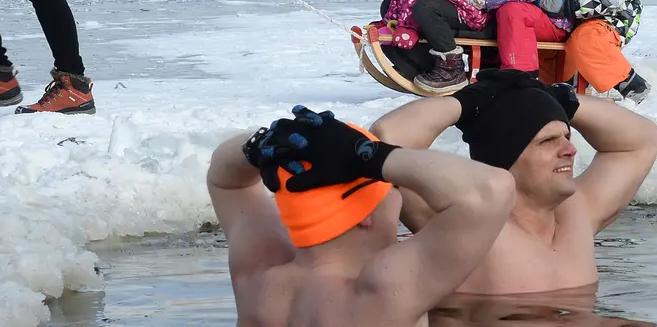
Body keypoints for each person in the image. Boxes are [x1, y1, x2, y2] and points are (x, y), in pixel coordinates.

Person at [209, 104, 516, 326]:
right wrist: (371, 155)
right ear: (364, 216)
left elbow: (224, 180)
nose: (398, 193)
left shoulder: (258, 279)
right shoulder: (379, 291)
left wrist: (262, 144)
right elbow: (492, 189)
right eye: (392, 187)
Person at [370, 69, 657, 295]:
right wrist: (464, 104)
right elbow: (387, 138)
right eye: (547, 141)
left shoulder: (578, 215)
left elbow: (640, 141)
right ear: (505, 159)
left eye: (567, 138)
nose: (570, 150)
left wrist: (560, 100)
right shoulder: (464, 227)